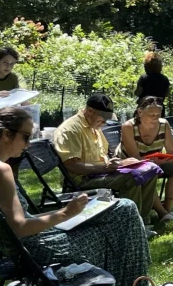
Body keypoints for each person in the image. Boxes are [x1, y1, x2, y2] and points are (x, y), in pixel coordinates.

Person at [0, 107, 151, 286]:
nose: (27, 145)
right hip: (39, 253)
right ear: (7, 134)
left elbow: (14, 224)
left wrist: (66, 214)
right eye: (26, 137)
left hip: (22, 251)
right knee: (123, 219)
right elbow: (19, 227)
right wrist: (65, 214)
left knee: (122, 209)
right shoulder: (0, 169)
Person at [52, 92, 160, 233]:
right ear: (89, 111)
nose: (104, 123)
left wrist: (121, 162)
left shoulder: (94, 125)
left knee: (149, 169)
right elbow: (72, 166)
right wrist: (106, 167)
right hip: (82, 180)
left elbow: (105, 155)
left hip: (101, 172)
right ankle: (132, 227)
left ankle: (142, 221)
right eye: (102, 118)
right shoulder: (70, 129)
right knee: (131, 178)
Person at [119, 97, 173, 233]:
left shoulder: (163, 124)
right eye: (151, 115)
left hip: (156, 161)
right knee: (148, 170)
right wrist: (154, 162)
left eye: (158, 115)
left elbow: (172, 150)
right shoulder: (129, 127)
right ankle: (162, 212)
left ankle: (168, 209)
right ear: (140, 113)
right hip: (133, 163)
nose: (155, 118)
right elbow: (135, 158)